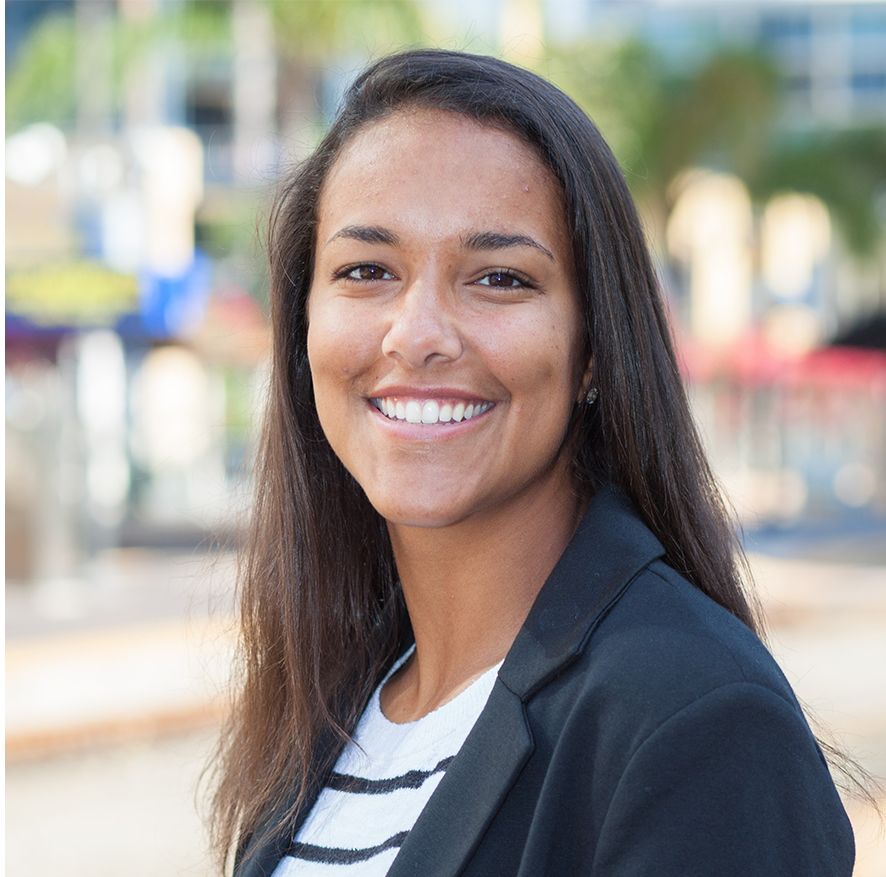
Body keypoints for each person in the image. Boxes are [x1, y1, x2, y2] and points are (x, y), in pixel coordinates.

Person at [211, 50, 855, 876]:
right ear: (302, 324)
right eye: (366, 270)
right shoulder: (337, 708)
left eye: (500, 278)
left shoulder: (695, 718)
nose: (417, 333)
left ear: (593, 348)